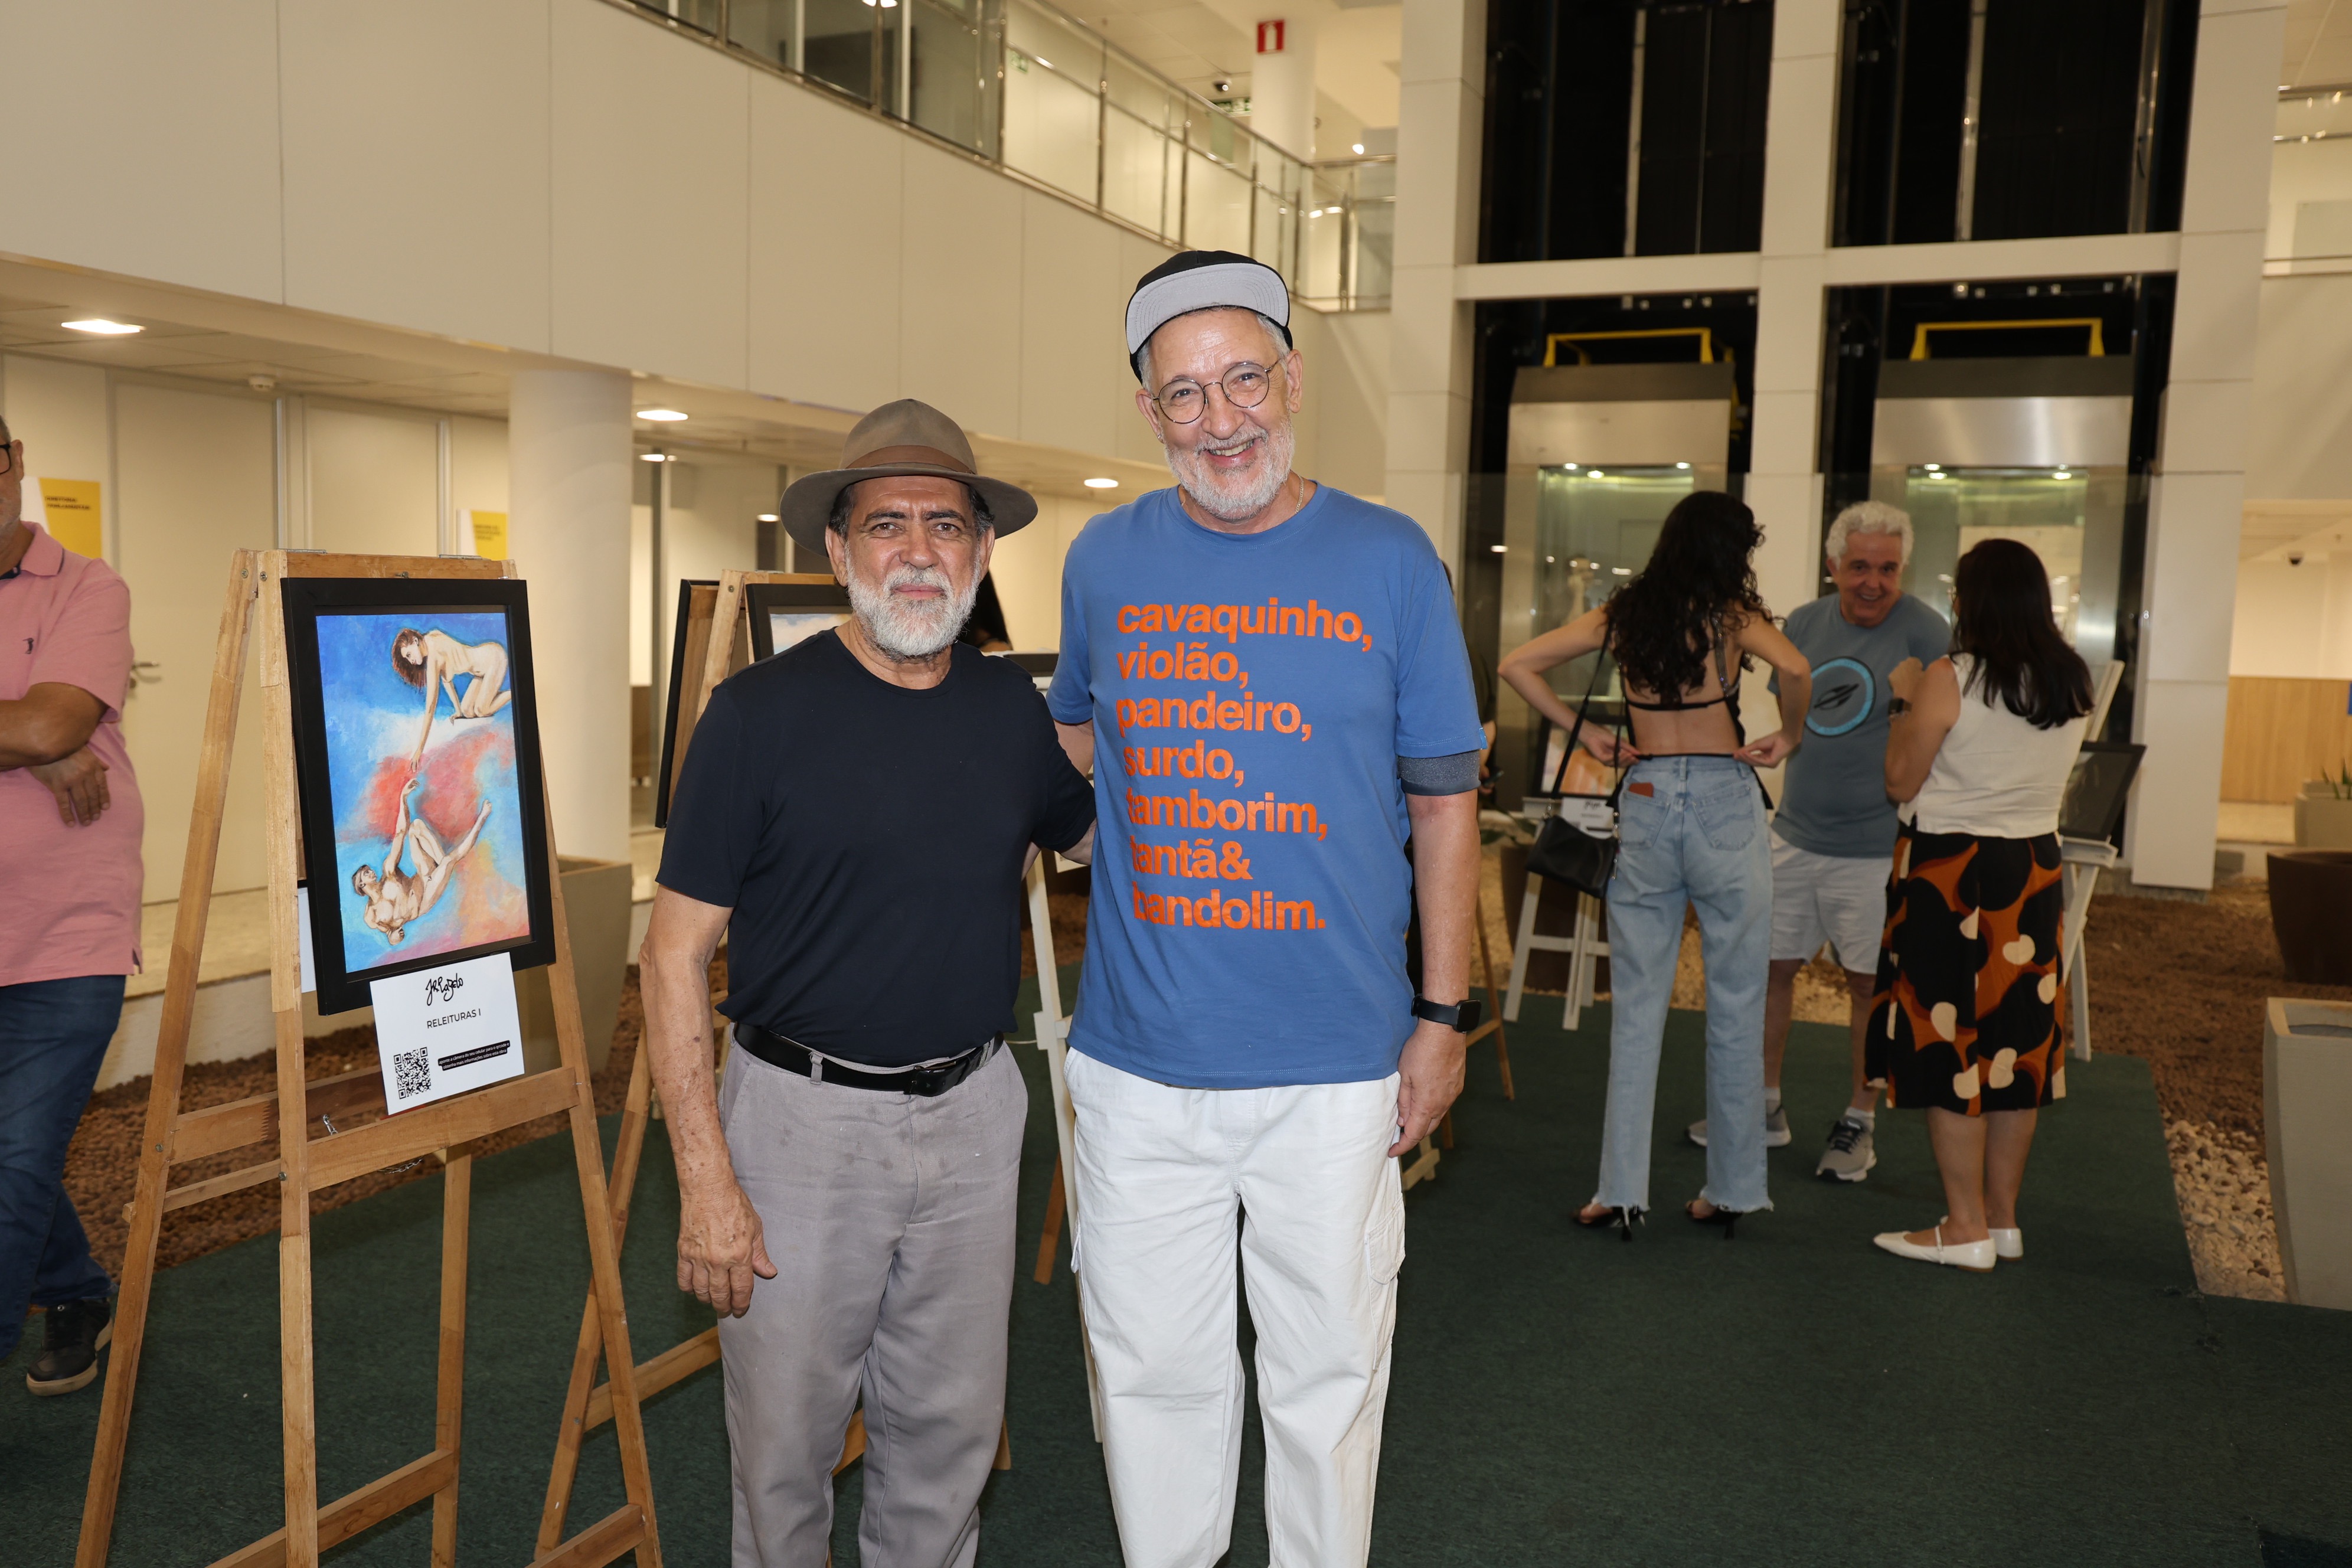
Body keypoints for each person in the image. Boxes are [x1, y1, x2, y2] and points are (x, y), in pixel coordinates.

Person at [1048, 251, 1485, 1568]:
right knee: (1151, 1379)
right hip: (1139, 1068)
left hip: (1338, 1066)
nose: (1220, 418)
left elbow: (1444, 802)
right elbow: (1072, 746)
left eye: (1243, 379)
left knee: (1328, 1379)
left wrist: (1443, 1015)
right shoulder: (1102, 560)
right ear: (1148, 411)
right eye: (1184, 394)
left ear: (1292, 379)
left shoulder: (1391, 559)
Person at [643, 400, 1096, 1566]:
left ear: (981, 551)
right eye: (885, 524)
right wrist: (705, 1178)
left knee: (948, 1442)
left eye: (944, 524)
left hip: (976, 1116)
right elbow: (672, 953)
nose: (917, 551)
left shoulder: (1007, 711)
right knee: (783, 1455)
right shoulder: (755, 717)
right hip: (799, 1128)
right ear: (837, 549)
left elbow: (1102, 836)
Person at [1500, 492, 1811, 1237]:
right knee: (1737, 1000)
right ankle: (1733, 1191)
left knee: (1637, 1006)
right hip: (1725, 798)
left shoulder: (1625, 614)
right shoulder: (1731, 617)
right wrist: (1790, 736)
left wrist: (1588, 734)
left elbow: (1519, 664)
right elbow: (1798, 666)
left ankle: (1619, 1192)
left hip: (1645, 796)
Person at [1684, 501, 1949, 1180]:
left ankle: (1859, 1121)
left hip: (1877, 847)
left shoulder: (1928, 631)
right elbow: (1794, 718)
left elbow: (1939, 734)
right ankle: (1763, 1107)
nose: (1873, 582)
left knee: (1868, 987)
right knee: (1770, 971)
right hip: (1795, 836)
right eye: (1859, 566)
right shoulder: (1802, 623)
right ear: (1833, 565)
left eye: (1887, 569)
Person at [1868, 538, 2092, 1272]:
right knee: (2014, 1050)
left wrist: (1903, 699)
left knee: (1950, 1045)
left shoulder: (1950, 676)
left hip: (1952, 872)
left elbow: (1900, 780)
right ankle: (2001, 1220)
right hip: (2032, 871)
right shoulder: (2070, 679)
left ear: (1968, 601)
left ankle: (1963, 1227)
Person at [0, 413, 146, 1396]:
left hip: (67, 932)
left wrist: (44, 738)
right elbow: (38, 727)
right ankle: (75, 1288)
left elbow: (55, 720)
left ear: (14, 461)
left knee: (12, 1159)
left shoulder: (88, 585)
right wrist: (28, 745)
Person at [351, 775, 494, 945]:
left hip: (423, 877)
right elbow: (391, 936)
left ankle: (443, 865)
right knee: (449, 862)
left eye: (369, 870)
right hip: (425, 898)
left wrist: (403, 798)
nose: (371, 872)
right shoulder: (371, 916)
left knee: (416, 827)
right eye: (366, 873)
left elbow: (400, 833)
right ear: (361, 885)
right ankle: (482, 819)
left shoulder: (388, 871)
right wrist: (394, 937)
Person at [394, 626, 512, 772]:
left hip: (494, 659)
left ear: (415, 641)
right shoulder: (432, 639)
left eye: (409, 654)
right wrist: (458, 711)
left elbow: (431, 707)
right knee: (467, 711)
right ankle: (489, 694)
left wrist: (419, 750)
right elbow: (447, 681)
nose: (410, 660)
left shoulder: (434, 655)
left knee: (482, 710)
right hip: (482, 671)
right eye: (407, 658)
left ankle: (516, 693)